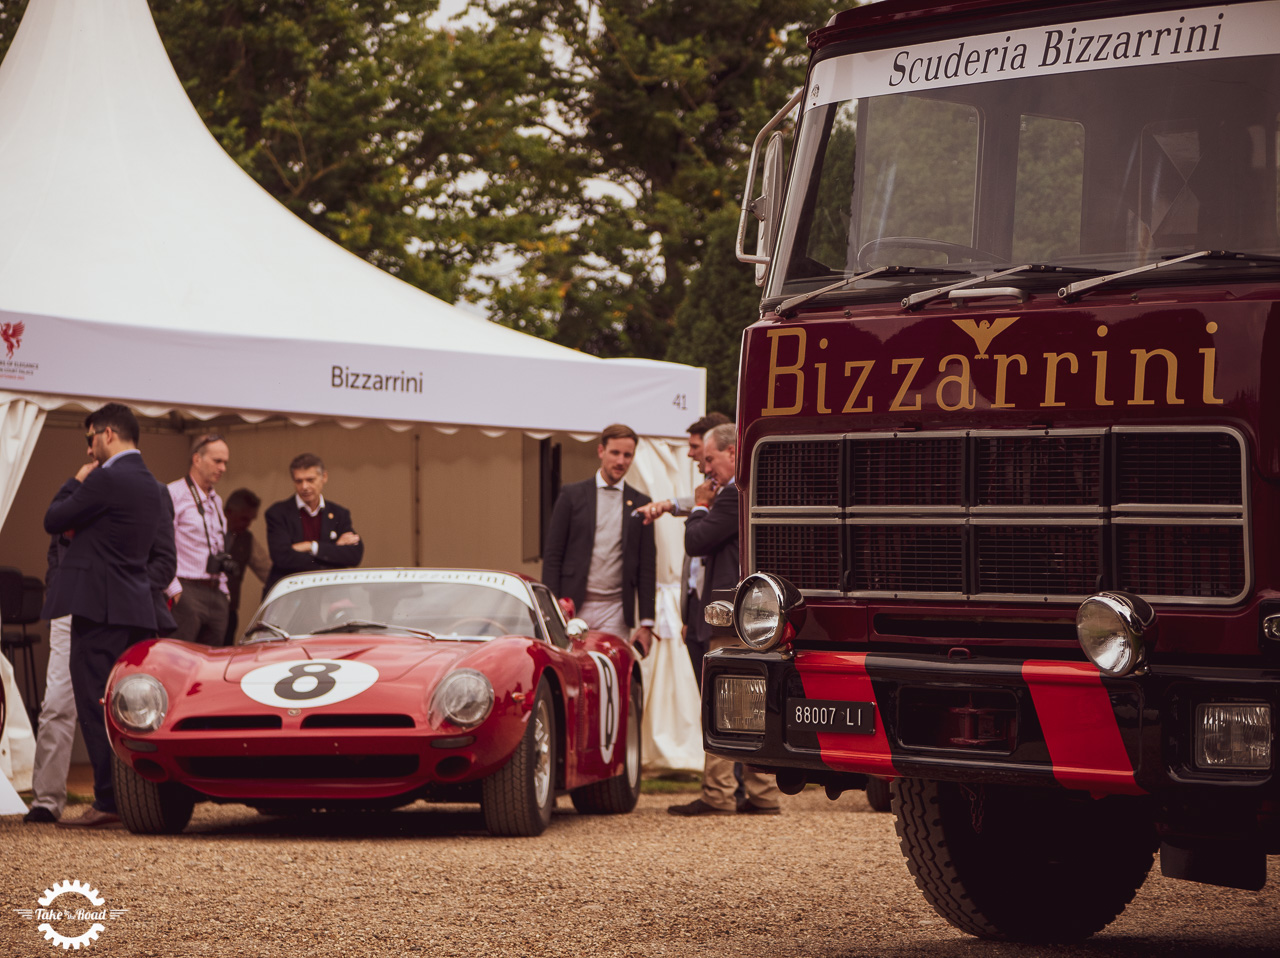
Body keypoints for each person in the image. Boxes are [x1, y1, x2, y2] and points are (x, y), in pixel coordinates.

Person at [43, 403, 173, 828]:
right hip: (135, 607)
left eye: (90, 439)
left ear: (107, 433)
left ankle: (108, 798)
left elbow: (54, 518)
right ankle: (135, 792)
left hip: (98, 609)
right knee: (131, 705)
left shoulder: (106, 477)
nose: (89, 449)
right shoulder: (154, 486)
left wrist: (73, 480)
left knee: (95, 702)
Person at [668, 423, 781, 817]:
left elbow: (695, 541)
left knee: (725, 703)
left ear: (734, 454)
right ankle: (762, 793)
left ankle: (718, 793)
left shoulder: (732, 496)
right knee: (750, 704)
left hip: (728, 617)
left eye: (711, 458)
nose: (705, 468)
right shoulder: (748, 492)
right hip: (749, 616)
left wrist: (699, 505)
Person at [542, 423, 657, 654]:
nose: (621, 461)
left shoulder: (642, 501)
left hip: (616, 609)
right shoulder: (572, 495)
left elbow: (647, 566)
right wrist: (551, 607)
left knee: (611, 672)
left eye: (628, 455)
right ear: (601, 451)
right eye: (615, 453)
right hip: (573, 605)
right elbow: (553, 554)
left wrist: (647, 622)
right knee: (572, 669)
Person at [636, 412, 730, 684]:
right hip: (698, 612)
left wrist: (690, 506)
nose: (690, 454)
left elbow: (697, 537)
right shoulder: (714, 490)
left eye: (696, 448)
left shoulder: (731, 492)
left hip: (717, 611)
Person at [165, 434, 233, 646]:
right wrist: (174, 590)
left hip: (215, 591)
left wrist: (224, 590)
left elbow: (218, 546)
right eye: (217, 461)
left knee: (210, 666)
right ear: (197, 460)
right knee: (179, 661)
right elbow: (159, 546)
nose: (222, 468)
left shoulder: (216, 499)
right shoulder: (173, 493)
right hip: (186, 589)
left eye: (225, 462)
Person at [263, 454, 364, 592]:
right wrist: (332, 549)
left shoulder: (339, 513)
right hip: (291, 594)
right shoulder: (278, 513)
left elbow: (354, 555)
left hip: (330, 595)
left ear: (324, 477)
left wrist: (311, 546)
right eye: (299, 481)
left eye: (310, 480)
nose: (304, 486)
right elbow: (282, 558)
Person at [222, 487, 271, 644]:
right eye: (244, 519)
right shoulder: (208, 531)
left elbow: (266, 570)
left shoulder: (247, 539)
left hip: (229, 612)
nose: (248, 524)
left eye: (251, 519)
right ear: (228, 512)